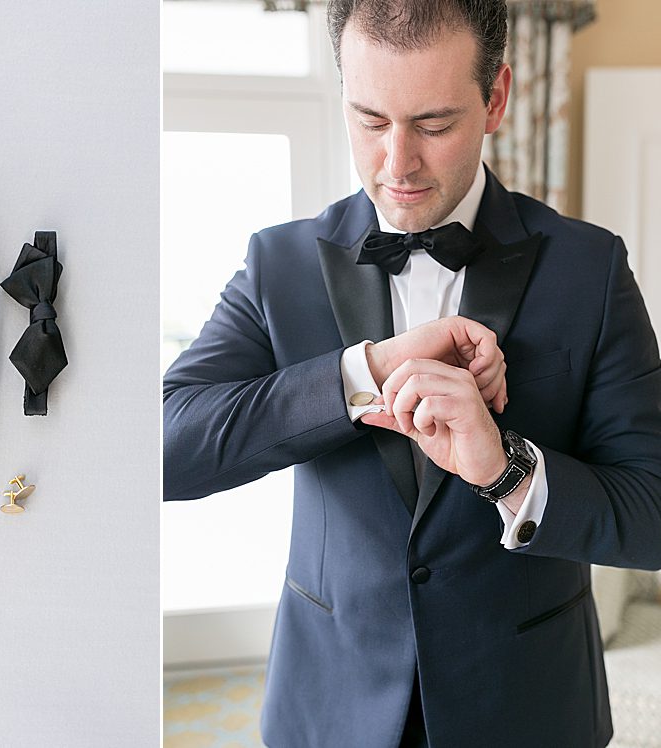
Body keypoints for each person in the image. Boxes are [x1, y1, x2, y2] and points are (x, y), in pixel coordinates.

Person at [162, 1, 661, 746]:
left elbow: (653, 514)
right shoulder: (279, 264)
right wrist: (362, 374)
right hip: (331, 703)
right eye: (369, 120)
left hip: (527, 707)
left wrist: (508, 470)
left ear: (495, 97)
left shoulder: (589, 269)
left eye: (432, 124)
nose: (397, 164)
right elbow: (165, 449)